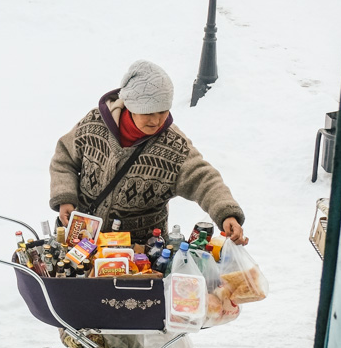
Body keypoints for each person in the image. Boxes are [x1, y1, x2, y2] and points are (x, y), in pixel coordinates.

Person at [50, 60, 248, 246]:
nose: (157, 120)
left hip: (139, 255)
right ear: (129, 106)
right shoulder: (93, 124)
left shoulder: (174, 146)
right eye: (148, 113)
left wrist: (226, 213)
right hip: (81, 239)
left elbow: (204, 180)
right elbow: (64, 159)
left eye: (163, 111)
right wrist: (65, 198)